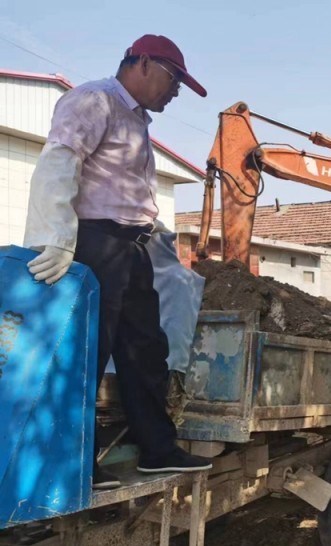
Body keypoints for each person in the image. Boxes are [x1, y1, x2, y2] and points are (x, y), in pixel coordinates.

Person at [23, 34, 213, 490]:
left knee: (144, 348)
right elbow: (59, 163)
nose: (175, 92)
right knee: (88, 351)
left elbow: (130, 195)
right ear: (143, 64)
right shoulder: (95, 100)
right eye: (173, 80)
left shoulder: (137, 122)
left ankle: (157, 450)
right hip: (95, 243)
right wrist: (56, 239)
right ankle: (72, 462)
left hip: (132, 248)